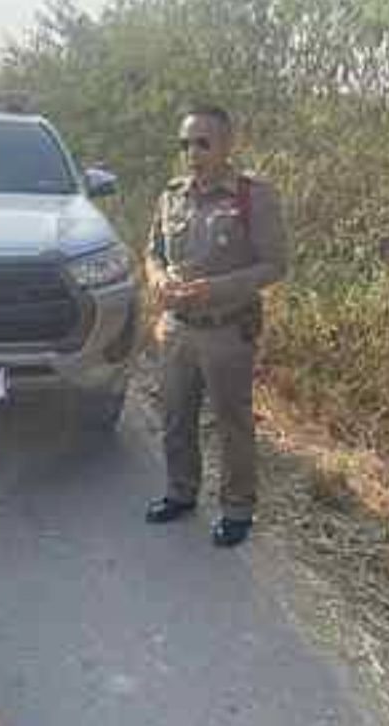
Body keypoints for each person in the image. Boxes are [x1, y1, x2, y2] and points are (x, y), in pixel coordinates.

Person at [143, 105, 287, 547]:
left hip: (226, 329)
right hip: (177, 327)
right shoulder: (172, 195)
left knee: (232, 423)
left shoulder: (252, 196)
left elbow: (274, 265)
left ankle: (237, 509)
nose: (192, 153)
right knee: (175, 416)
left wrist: (215, 289)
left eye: (203, 143)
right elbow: (153, 252)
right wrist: (158, 278)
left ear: (227, 145)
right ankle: (180, 491)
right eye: (185, 144)